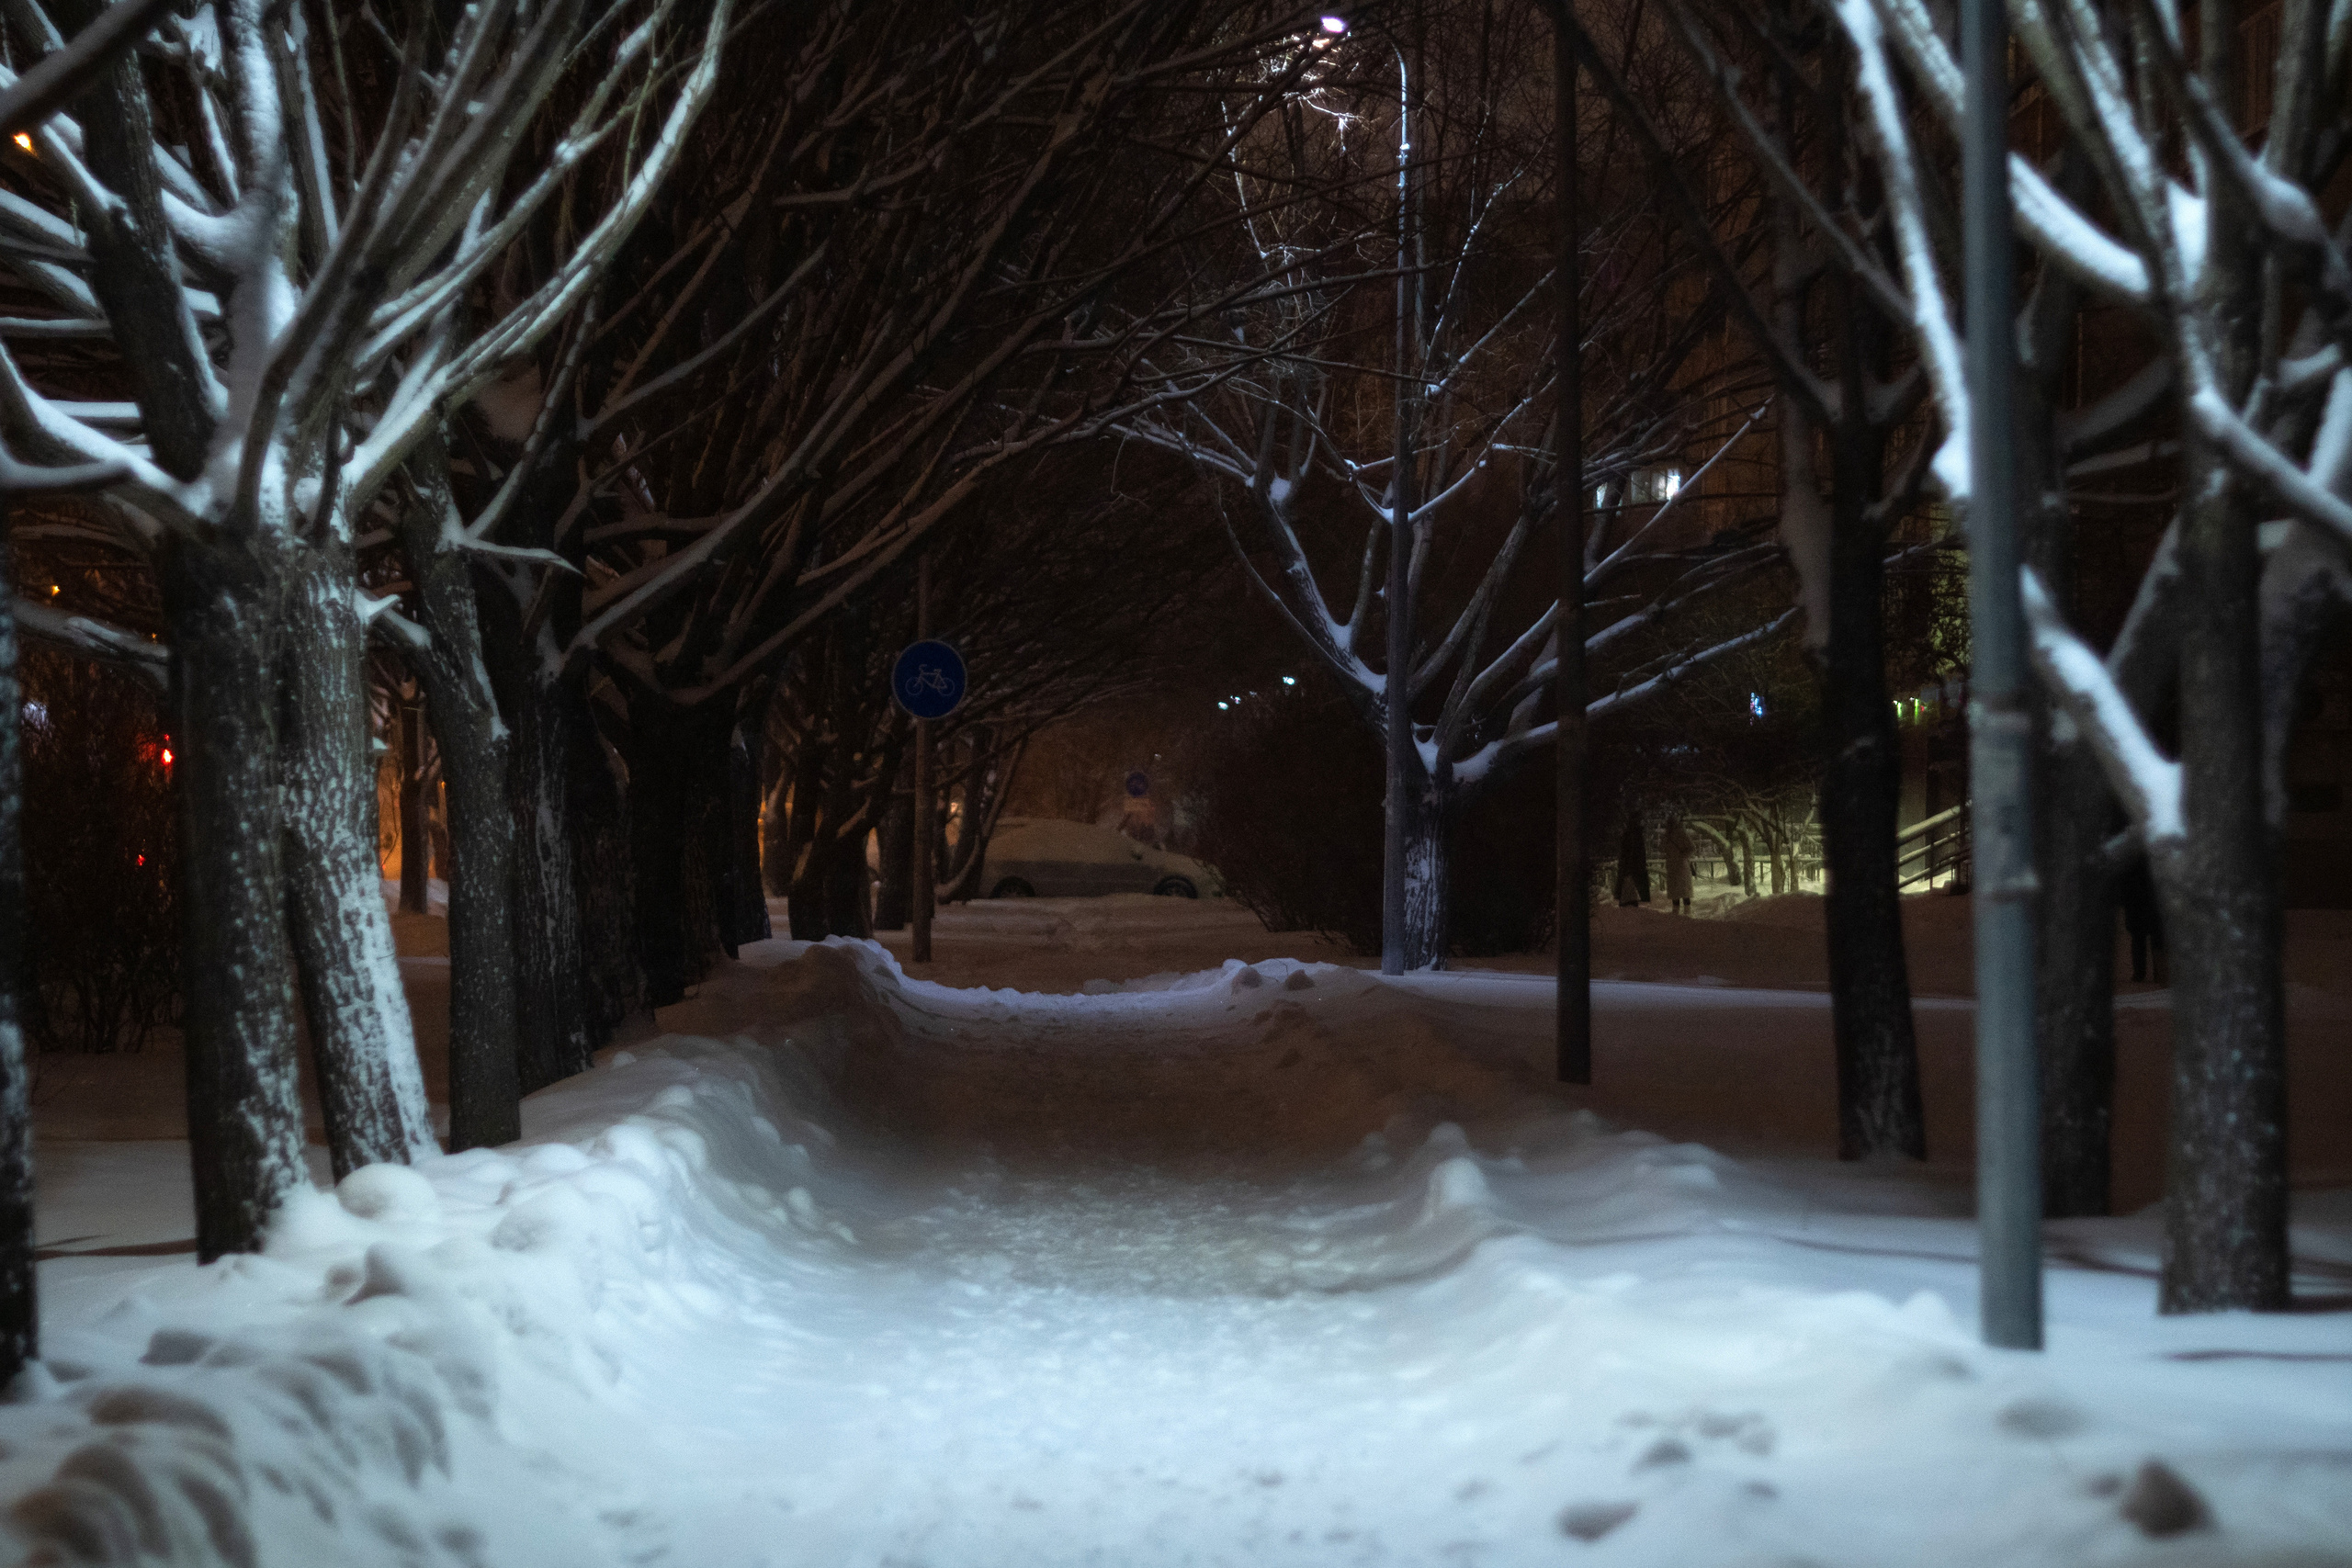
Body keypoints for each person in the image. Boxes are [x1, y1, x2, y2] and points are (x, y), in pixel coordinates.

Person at [2117, 857, 2166, 985]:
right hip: (2151, 905)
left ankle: (2140, 973)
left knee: (2139, 940)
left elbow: (2124, 886)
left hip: (2136, 906)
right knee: (2156, 941)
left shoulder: (2130, 865)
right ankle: (2159, 974)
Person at [1662, 815, 1695, 915]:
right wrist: (1683, 856)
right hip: (1681, 865)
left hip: (1674, 865)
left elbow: (1661, 848)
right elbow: (1692, 848)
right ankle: (1687, 912)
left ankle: (1676, 912)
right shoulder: (1682, 833)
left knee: (1675, 891)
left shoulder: (1667, 835)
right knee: (1684, 890)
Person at [1615, 812, 1650, 906]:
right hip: (1634, 865)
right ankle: (1632, 900)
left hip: (1630, 865)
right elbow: (1635, 851)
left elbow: (1626, 851)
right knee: (1632, 883)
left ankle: (1629, 900)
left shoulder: (1629, 834)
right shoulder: (1636, 834)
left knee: (1629, 883)